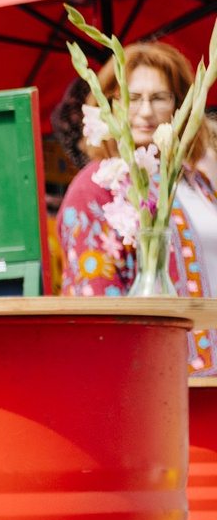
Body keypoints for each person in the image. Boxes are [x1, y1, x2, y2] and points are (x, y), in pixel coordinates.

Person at [61, 40, 215, 369]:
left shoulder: (197, 182)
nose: (145, 112)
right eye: (132, 98)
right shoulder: (97, 187)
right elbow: (95, 302)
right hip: (165, 372)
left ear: (180, 106)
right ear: (110, 106)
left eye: (159, 98)